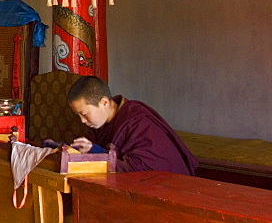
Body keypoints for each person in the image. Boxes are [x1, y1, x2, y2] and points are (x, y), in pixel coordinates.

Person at [63, 75, 197, 175]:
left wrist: (96, 152)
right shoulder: (98, 124)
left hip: (168, 189)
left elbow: (143, 168)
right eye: (78, 115)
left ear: (104, 102)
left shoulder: (138, 121)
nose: (82, 121)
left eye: (84, 114)